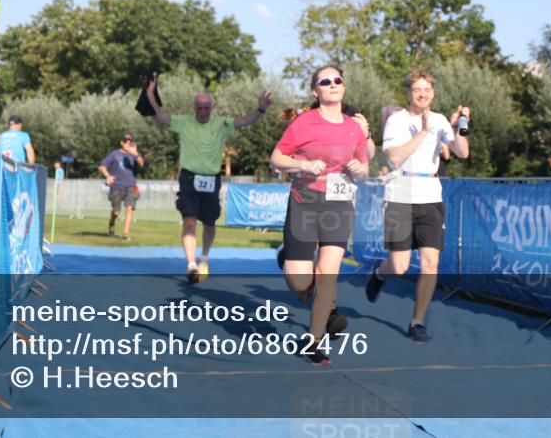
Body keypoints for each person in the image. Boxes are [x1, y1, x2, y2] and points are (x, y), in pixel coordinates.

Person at [270, 66, 369, 365]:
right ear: (316, 90)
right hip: (305, 203)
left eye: (337, 80)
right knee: (300, 283)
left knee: (327, 274)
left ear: (344, 86)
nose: (333, 84)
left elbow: (364, 167)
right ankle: (290, 258)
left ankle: (313, 341)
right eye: (325, 82)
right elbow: (276, 158)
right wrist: (302, 165)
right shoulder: (304, 123)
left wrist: (360, 168)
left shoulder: (354, 127)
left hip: (338, 204)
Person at [365, 69, 469, 343]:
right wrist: (423, 133)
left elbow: (462, 152)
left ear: (433, 93)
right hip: (400, 195)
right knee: (399, 267)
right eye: (417, 90)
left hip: (430, 197)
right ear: (409, 93)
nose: (422, 94)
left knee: (430, 263)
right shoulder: (397, 120)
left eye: (427, 90)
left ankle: (417, 322)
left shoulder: (440, 120)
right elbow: (394, 158)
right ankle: (380, 272)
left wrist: (459, 126)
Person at [143, 75, 272, 283]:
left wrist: (260, 109)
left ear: (211, 108)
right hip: (189, 178)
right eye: (199, 108)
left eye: (206, 108)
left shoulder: (221, 124)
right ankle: (191, 265)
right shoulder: (183, 122)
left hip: (211, 180)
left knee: (209, 223)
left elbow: (244, 120)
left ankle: (203, 257)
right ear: (194, 108)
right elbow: (159, 115)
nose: (203, 111)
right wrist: (150, 93)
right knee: (189, 221)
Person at [99, 133, 145, 240]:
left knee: (129, 208)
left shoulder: (134, 155)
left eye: (130, 142)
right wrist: (108, 176)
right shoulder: (114, 154)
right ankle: (112, 222)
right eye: (125, 142)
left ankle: (126, 233)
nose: (128, 144)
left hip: (130, 185)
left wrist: (136, 154)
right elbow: (102, 167)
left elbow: (142, 164)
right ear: (121, 143)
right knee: (116, 212)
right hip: (116, 186)